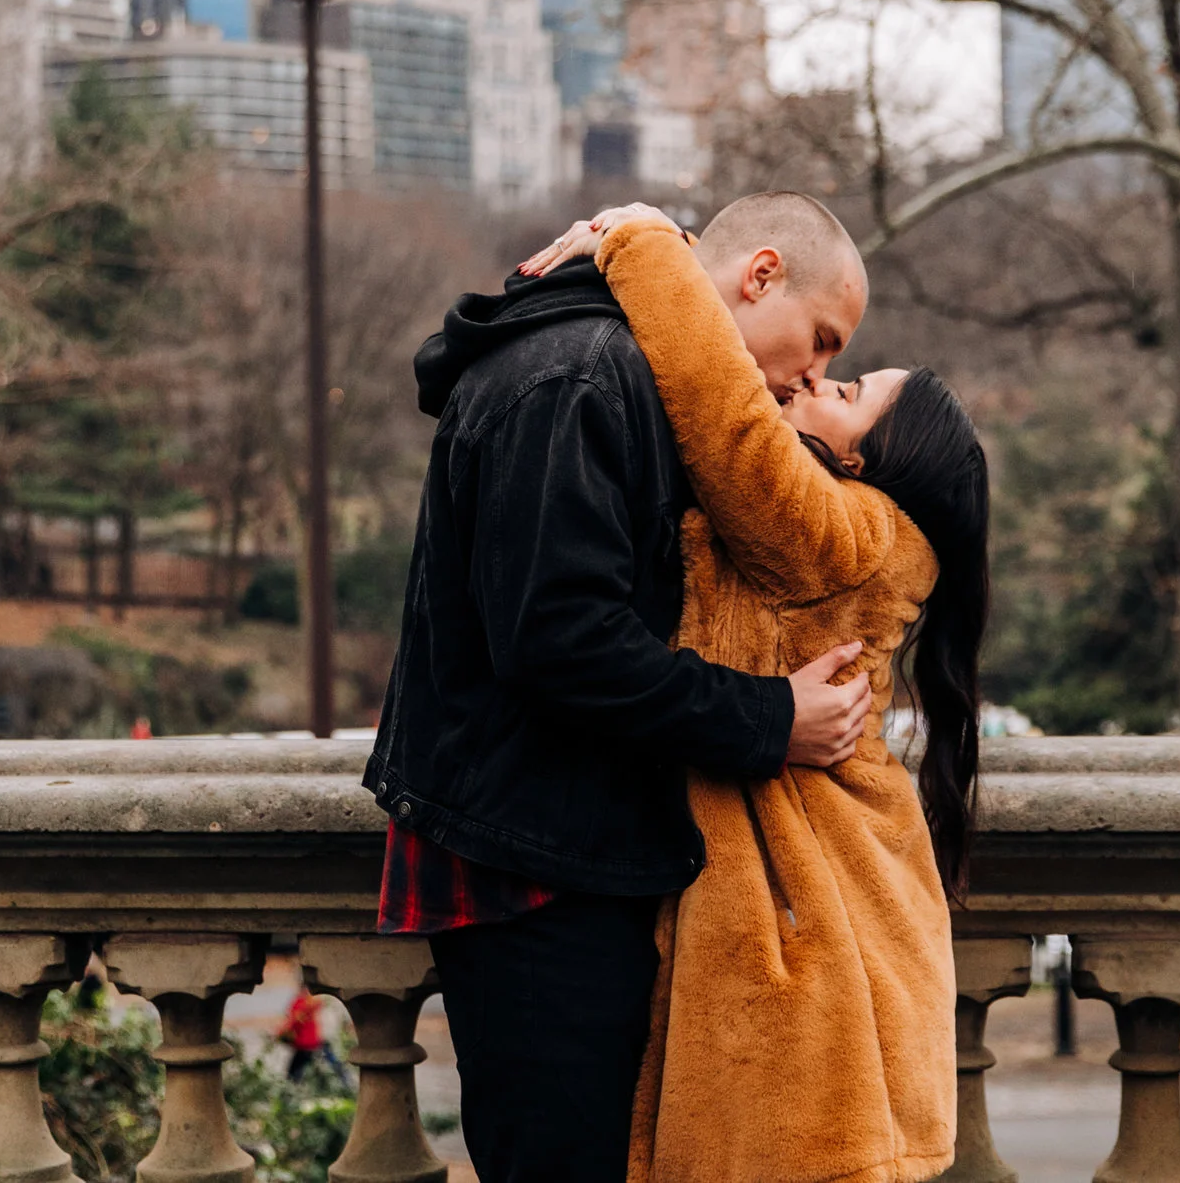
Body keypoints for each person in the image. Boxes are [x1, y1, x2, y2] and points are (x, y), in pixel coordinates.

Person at [363, 191, 882, 1183]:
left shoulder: (623, 366)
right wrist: (773, 718)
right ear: (759, 272)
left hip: (557, 838)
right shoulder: (584, 375)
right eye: (818, 338)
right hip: (537, 858)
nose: (813, 373)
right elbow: (560, 639)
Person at [519, 205, 990, 1183]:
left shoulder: (849, 532)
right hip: (808, 913)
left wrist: (648, 241)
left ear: (867, 459)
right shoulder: (861, 534)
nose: (813, 377)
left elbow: (723, 417)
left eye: (845, 383)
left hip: (802, 940)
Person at [280, 987, 341, 1082]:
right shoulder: (311, 1003)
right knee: (329, 1067)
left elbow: (292, 1023)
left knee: (294, 1074)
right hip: (312, 1044)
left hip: (308, 1044)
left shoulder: (302, 1003)